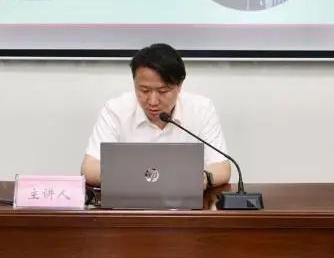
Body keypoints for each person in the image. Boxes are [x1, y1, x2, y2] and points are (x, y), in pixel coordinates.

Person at [81, 44, 231, 188]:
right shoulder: (116, 110)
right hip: (128, 201)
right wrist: (124, 177)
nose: (153, 101)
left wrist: (203, 178)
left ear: (179, 86)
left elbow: (222, 167)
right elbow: (89, 167)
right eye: (144, 91)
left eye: (163, 91)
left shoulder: (201, 109)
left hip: (184, 201)